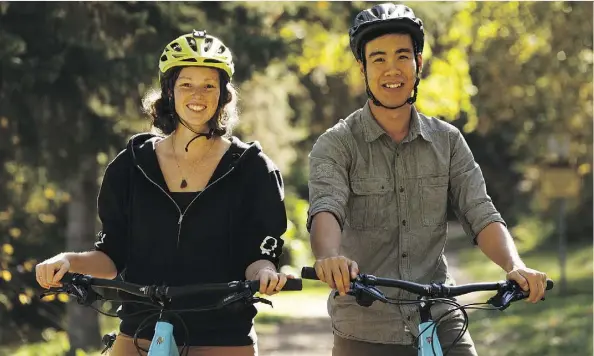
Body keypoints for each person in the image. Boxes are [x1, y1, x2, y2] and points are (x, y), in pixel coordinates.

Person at [306, 4, 549, 356]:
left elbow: (480, 212)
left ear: (418, 63)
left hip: (440, 317)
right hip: (365, 325)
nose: (392, 69)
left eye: (402, 56)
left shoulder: (448, 141)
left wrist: (516, 266)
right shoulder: (336, 144)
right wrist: (329, 257)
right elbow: (326, 207)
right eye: (378, 59)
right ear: (362, 68)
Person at [35, 30, 290, 356]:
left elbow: (261, 257)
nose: (197, 94)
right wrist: (67, 260)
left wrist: (266, 274)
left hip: (223, 336)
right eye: (186, 83)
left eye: (209, 85)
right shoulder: (131, 165)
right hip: (139, 333)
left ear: (223, 95)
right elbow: (112, 257)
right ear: (169, 91)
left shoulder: (254, 169)